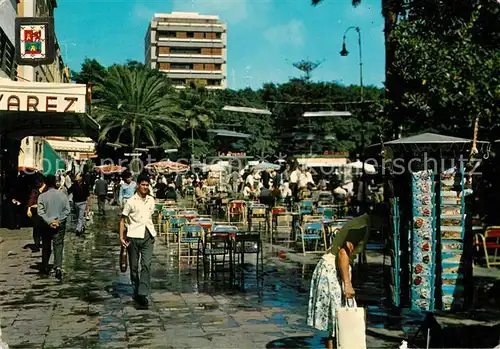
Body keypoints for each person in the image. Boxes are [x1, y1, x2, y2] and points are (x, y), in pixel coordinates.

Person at [307, 206, 383, 349]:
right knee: (339, 318)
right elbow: (343, 253)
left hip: (331, 267)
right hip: (333, 270)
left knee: (336, 321)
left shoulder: (361, 222)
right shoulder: (362, 226)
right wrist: (347, 284)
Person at [119, 174, 156, 307]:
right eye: (143, 184)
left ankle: (143, 293)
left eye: (147, 185)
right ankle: (136, 287)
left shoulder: (151, 200)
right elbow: (122, 220)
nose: (145, 187)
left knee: (146, 264)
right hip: (133, 236)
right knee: (134, 267)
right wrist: (121, 237)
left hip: (148, 235)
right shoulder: (130, 202)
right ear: (138, 185)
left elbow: (150, 215)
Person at [37, 175, 70, 279]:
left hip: (46, 225)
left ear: (45, 183)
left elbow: (40, 212)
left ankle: (45, 266)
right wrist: (58, 220)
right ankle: (58, 267)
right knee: (58, 245)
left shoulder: (42, 196)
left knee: (46, 246)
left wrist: (49, 221)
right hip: (59, 225)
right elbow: (67, 210)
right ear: (56, 183)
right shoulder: (62, 196)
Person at [27, 178, 46, 252]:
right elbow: (32, 198)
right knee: (36, 228)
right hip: (36, 212)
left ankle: (45, 244)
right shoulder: (35, 190)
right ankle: (36, 245)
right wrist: (29, 208)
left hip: (45, 211)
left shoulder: (47, 190)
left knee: (44, 228)